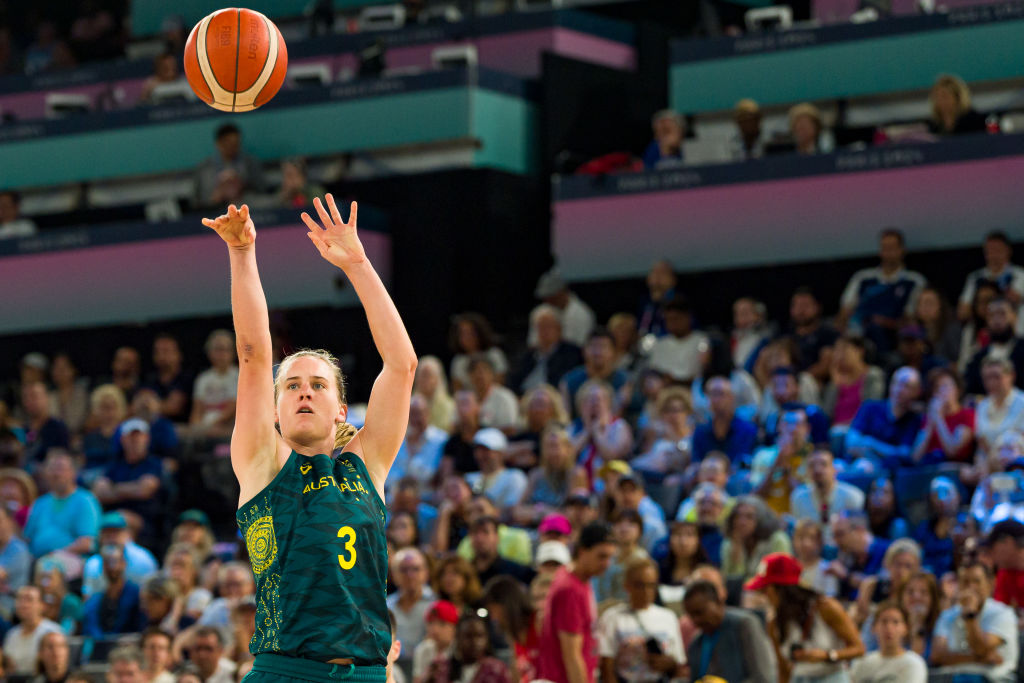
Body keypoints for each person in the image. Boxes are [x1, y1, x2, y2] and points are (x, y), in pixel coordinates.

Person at [204, 195, 417, 682]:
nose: (304, 393)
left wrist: (358, 264)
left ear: (341, 408)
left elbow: (402, 366)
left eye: (318, 385)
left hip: (365, 673)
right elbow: (255, 355)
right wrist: (242, 254)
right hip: (286, 671)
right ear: (275, 409)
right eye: (293, 386)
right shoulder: (262, 462)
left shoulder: (366, 467)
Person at [746, 553, 865, 683]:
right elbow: (783, 668)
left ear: (782, 589)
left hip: (833, 677)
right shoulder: (773, 622)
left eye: (765, 590)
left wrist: (827, 655)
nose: (763, 597)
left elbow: (859, 649)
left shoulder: (825, 608)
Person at [537, 522, 617, 683]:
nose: (606, 564)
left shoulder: (578, 579)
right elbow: (572, 656)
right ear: (582, 551)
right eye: (601, 556)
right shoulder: (570, 589)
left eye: (609, 557)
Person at [597, 557, 685, 682]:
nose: (646, 591)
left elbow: (679, 663)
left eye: (651, 585)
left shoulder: (668, 617)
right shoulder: (612, 617)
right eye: (640, 585)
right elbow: (607, 667)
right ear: (627, 585)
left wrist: (669, 664)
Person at [839, 229, 927, 353]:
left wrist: (886, 323)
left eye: (893, 247)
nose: (889, 252)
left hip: (893, 339)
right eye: (885, 248)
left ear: (902, 250)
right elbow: (845, 312)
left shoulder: (914, 281)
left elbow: (911, 319)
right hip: (858, 338)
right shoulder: (862, 278)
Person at [930, 562, 1018, 683]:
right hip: (951, 677)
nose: (971, 587)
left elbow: (980, 648)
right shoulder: (947, 615)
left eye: (976, 581)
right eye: (965, 581)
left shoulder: (1003, 613)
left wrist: (969, 615)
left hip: (991, 679)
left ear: (990, 584)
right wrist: (979, 659)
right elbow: (937, 656)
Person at [683, 579, 777, 683]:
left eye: (700, 612)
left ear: (719, 602)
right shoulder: (696, 642)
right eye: (691, 615)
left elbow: (763, 678)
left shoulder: (744, 625)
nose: (696, 620)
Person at [91, 419, 164, 546]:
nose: (134, 441)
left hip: (145, 519)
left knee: (119, 519)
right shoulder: (115, 465)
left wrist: (114, 489)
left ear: (147, 438)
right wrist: (132, 488)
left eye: (139, 437)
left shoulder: (154, 464)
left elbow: (144, 490)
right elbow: (99, 492)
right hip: (112, 515)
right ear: (123, 439)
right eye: (130, 437)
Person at [23, 452, 100, 567]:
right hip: (37, 560)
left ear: (73, 473)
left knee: (51, 567)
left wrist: (56, 555)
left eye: (61, 469)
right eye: (52, 469)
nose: (56, 474)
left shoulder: (85, 501)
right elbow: (27, 538)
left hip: (71, 559)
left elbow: (87, 543)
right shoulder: (40, 503)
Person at [845, 367, 923, 471]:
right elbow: (851, 442)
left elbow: (904, 453)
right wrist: (887, 451)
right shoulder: (870, 407)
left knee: (863, 466)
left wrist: (872, 443)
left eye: (906, 386)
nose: (899, 389)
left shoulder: (914, 420)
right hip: (855, 461)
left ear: (916, 392)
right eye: (896, 383)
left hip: (887, 471)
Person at [508, 305, 583, 396]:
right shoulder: (529, 354)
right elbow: (514, 380)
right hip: (525, 398)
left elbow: (562, 382)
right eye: (540, 326)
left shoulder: (571, 353)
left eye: (548, 326)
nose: (544, 331)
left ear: (559, 329)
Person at [480, 577, 540, 683]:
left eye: (493, 610)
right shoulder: (513, 634)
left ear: (506, 605)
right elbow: (516, 675)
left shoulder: (538, 622)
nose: (493, 618)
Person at [387, 548, 435, 678]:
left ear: (426, 572)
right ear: (394, 574)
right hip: (394, 665)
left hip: (427, 666)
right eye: (404, 570)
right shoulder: (387, 606)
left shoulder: (435, 604)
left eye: (416, 569)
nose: (410, 575)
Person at [720, 497, 792, 584]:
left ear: (761, 519)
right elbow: (731, 580)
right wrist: (737, 548)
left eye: (749, 517)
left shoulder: (777, 540)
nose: (742, 522)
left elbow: (782, 577)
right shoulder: (729, 543)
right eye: (737, 516)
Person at [850, 602, 927, 683]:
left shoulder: (914, 663)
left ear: (905, 628)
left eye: (895, 622)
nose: (889, 628)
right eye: (884, 622)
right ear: (873, 628)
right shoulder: (861, 663)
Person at [911, 367, 974, 465]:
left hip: (952, 469)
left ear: (957, 390)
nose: (942, 391)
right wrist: (930, 424)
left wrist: (939, 418)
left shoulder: (967, 415)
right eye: (937, 387)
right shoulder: (929, 418)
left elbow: (952, 451)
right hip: (928, 467)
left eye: (946, 386)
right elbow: (915, 457)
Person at [423, 613, 511, 683]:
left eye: (480, 636)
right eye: (468, 636)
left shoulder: (496, 669)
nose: (475, 642)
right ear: (457, 638)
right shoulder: (441, 668)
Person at [82, 543, 145, 638]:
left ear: (124, 563)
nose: (112, 567)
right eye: (107, 562)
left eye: (115, 561)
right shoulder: (95, 601)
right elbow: (91, 627)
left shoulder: (136, 595)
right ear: (102, 566)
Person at [959, 231, 1024, 324]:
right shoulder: (975, 277)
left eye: (998, 250)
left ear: (1008, 250)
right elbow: (963, 312)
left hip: (1015, 329)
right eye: (989, 250)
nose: (993, 255)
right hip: (981, 331)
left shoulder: (1021, 275)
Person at [194, 124, 266, 208]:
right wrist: (216, 197)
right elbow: (197, 200)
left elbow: (261, 190)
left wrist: (242, 186)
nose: (231, 147)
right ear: (219, 143)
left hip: (246, 209)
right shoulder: (204, 168)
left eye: (235, 144)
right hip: (214, 213)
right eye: (228, 143)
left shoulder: (250, 164)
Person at [691, 377, 758, 465]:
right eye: (712, 394)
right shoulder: (700, 432)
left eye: (720, 394)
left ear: (731, 397)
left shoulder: (748, 430)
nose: (716, 400)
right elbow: (696, 463)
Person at [188, 330, 239, 438]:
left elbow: (231, 409)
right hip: (205, 427)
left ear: (233, 352)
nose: (222, 354)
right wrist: (196, 427)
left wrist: (207, 426)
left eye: (226, 350)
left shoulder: (239, 376)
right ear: (209, 352)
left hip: (230, 428)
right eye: (218, 349)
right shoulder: (203, 379)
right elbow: (197, 410)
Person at [647, 296, 709, 384]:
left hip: (690, 389)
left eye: (676, 319)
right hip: (664, 390)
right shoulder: (660, 343)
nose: (672, 324)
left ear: (688, 318)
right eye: (669, 320)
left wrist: (677, 381)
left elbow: (701, 372)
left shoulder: (701, 340)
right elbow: (653, 372)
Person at [3, 586, 62, 675]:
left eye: (29, 600)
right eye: (19, 599)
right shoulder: (12, 634)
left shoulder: (53, 632)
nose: (23, 604)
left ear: (42, 605)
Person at [975, 357, 1024, 459]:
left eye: (997, 377)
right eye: (987, 378)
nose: (991, 383)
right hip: (986, 465)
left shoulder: (1022, 402)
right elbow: (981, 443)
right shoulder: (982, 405)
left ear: (1011, 376)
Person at [448, 313, 508, 393]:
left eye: (470, 333)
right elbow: (458, 392)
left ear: (479, 332)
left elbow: (500, 385)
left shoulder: (495, 355)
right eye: (462, 334)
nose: (467, 337)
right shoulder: (458, 361)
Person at [411, 600, 458, 683]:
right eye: (431, 623)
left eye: (442, 623)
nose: (435, 630)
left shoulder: (461, 650)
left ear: (454, 627)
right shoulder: (422, 649)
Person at [48, 352, 89, 437]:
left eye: (63, 367)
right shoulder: (49, 396)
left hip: (79, 439)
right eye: (56, 367)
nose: (59, 371)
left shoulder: (83, 395)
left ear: (73, 370)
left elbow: (80, 423)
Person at [413, 356, 456, 433]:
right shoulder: (409, 404)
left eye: (427, 375)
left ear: (437, 379)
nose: (423, 380)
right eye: (420, 375)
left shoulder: (449, 405)